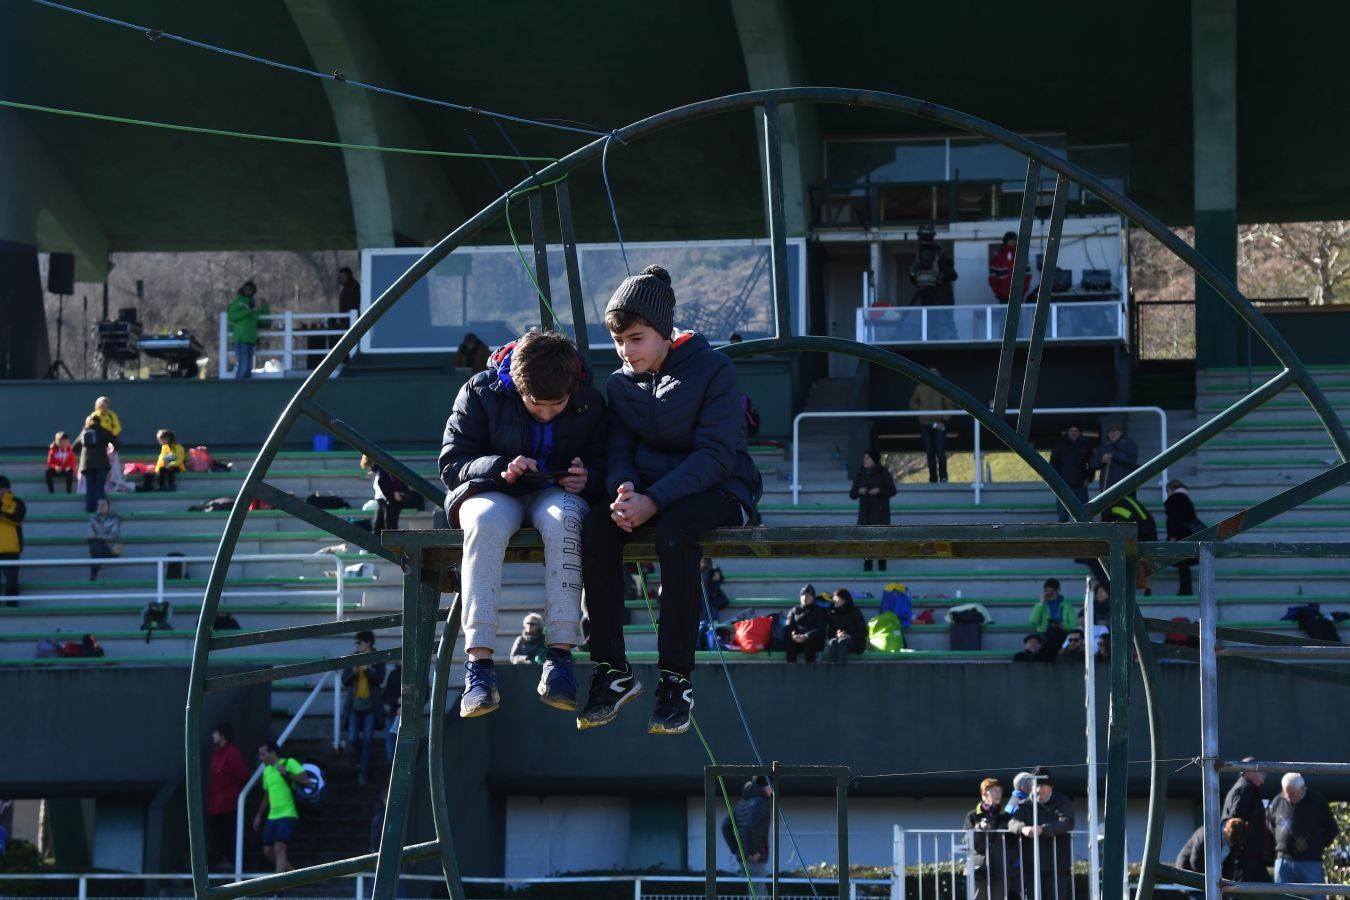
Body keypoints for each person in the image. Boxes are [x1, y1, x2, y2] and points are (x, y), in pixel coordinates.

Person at [577, 264, 761, 736]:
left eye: (636, 338)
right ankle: (610, 669)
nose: (625, 351)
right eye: (619, 342)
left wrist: (653, 500)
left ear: (663, 332)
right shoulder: (620, 384)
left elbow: (717, 456)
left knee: (677, 531)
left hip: (721, 490)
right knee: (597, 526)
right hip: (653, 495)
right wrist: (623, 489)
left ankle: (676, 681)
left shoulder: (714, 368)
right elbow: (617, 447)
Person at [440, 329, 606, 719]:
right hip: (494, 489)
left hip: (557, 492)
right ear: (515, 385)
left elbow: (608, 458)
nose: (548, 413)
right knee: (483, 522)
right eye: (537, 405)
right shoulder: (479, 390)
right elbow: (452, 463)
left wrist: (590, 477)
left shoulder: (590, 399)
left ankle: (560, 656)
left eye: (558, 405)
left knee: (564, 520)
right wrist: (501, 466)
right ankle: (479, 667)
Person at [1267, 773, 1339, 898]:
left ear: (1302, 789)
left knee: (1316, 896)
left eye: (1292, 793)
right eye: (1286, 792)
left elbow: (1331, 828)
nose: (1288, 796)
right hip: (1284, 860)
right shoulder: (1278, 801)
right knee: (1282, 897)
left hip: (1311, 862)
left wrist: (1319, 846)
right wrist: (1281, 842)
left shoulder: (1317, 801)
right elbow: (1270, 823)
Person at [1009, 768, 1075, 900]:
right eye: (1036, 786)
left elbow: (1067, 822)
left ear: (1050, 786)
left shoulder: (1062, 801)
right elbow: (1012, 823)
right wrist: (1023, 829)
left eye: (1042, 786)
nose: (1038, 790)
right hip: (1032, 864)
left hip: (1057, 864)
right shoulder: (1025, 804)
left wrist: (1043, 829)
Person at [252, 740, 310, 874]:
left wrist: (286, 773)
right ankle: (294, 875)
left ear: (272, 753)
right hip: (273, 815)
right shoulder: (266, 771)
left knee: (280, 846)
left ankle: (279, 887)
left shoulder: (288, 762)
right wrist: (259, 815)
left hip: (288, 812)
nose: (261, 758)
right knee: (268, 850)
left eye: (263, 754)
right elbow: (267, 794)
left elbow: (305, 779)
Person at [342, 630, 386, 785]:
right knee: (353, 738)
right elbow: (344, 681)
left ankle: (363, 773)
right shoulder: (353, 658)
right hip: (355, 705)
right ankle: (362, 760)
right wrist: (353, 673)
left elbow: (379, 679)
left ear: (368, 643)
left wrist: (367, 670)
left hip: (371, 706)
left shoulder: (378, 658)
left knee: (367, 739)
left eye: (359, 642)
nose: (357, 645)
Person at [964, 777, 1018, 900]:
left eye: (1000, 791)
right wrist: (978, 829)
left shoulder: (1006, 817)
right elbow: (967, 841)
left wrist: (1009, 859)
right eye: (995, 791)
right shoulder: (972, 816)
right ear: (984, 793)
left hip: (1002, 868)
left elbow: (1014, 842)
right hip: (979, 868)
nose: (999, 794)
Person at [207, 722, 250, 869]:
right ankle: (226, 860)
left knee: (228, 834)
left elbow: (243, 774)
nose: (213, 735)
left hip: (228, 804)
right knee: (217, 834)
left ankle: (233, 862)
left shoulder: (232, 753)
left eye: (216, 733)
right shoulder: (216, 754)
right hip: (216, 804)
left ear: (223, 735)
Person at [1221, 760, 1271, 882]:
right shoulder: (1245, 789)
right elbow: (1234, 823)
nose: (1264, 774)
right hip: (1245, 859)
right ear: (1248, 772)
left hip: (1249, 858)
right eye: (1260, 771)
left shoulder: (1247, 789)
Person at [850, 449, 897, 572]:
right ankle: (867, 569)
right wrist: (859, 491)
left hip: (880, 515)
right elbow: (852, 494)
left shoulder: (883, 472)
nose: (865, 461)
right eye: (864, 458)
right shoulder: (860, 473)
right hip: (865, 515)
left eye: (868, 458)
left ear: (874, 460)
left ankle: (882, 570)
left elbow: (892, 490)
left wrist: (879, 491)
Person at [722, 776, 772, 884]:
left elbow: (725, 826)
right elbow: (750, 826)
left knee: (752, 891)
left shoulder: (742, 803)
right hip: (755, 858)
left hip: (743, 857)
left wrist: (736, 849)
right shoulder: (762, 802)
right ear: (766, 786)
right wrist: (753, 853)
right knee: (759, 893)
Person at [1177, 817, 1250, 882]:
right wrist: (1206, 883)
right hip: (1188, 874)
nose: (1231, 845)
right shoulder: (1206, 834)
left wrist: (1226, 885)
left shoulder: (1233, 840)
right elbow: (1195, 862)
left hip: (1210, 878)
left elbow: (1229, 867)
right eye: (1230, 842)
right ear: (1226, 832)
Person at [909, 371, 950, 483]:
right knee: (932, 452)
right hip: (925, 423)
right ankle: (936, 478)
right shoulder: (920, 387)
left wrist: (943, 420)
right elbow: (913, 403)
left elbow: (949, 405)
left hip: (938, 423)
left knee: (938, 452)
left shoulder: (942, 387)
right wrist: (920, 412)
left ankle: (941, 477)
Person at [1165, 479, 1204, 596]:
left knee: (1182, 564)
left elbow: (1173, 520)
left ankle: (1185, 591)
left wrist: (1172, 536)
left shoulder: (1173, 499)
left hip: (1180, 535)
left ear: (1171, 489)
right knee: (1184, 564)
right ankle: (1186, 590)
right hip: (1188, 534)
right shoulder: (1186, 499)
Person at [72, 415, 116, 514]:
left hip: (87, 465)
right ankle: (100, 511)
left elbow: (74, 448)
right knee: (99, 487)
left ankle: (89, 509)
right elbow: (116, 443)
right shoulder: (103, 431)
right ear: (99, 422)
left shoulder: (83, 432)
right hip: (102, 464)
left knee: (90, 486)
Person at [1049, 424, 1093, 522]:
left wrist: (1089, 478)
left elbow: (1091, 464)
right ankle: (1063, 535)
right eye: (1071, 431)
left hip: (1081, 485)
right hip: (1063, 486)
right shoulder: (1060, 445)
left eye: (1076, 431)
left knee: (1084, 514)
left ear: (1080, 433)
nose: (1073, 433)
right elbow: (1053, 464)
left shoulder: (1085, 445)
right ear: (1067, 432)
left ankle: (1087, 535)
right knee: (1063, 515)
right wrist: (1056, 482)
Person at [227, 281, 269, 380]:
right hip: (240, 339)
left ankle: (245, 390)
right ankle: (238, 389)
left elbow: (265, 321)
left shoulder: (254, 307)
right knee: (243, 366)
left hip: (250, 340)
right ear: (242, 290)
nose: (248, 292)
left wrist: (265, 306)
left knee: (248, 368)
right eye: (246, 289)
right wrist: (246, 312)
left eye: (250, 290)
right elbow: (231, 316)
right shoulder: (238, 302)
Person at [360, 455, 406, 536]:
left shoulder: (384, 470)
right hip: (382, 502)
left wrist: (396, 492)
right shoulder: (379, 472)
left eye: (368, 467)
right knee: (377, 527)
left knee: (390, 527)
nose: (369, 469)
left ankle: (393, 547)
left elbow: (393, 481)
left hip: (389, 501)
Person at [92, 396, 129, 493]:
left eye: (106, 407)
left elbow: (117, 428)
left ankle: (114, 479)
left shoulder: (112, 415)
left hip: (110, 442)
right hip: (99, 443)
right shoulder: (94, 416)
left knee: (113, 459)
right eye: (101, 407)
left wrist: (111, 435)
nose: (104, 409)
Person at [784, 583, 828, 663]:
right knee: (789, 642)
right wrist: (793, 635)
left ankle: (809, 671)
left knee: (810, 642)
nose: (805, 597)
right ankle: (790, 670)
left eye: (808, 595)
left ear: (813, 597)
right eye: (803, 595)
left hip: (813, 640)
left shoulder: (819, 611)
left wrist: (806, 636)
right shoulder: (794, 610)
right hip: (797, 639)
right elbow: (788, 626)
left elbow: (820, 629)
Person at [822, 588, 868, 663]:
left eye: (836, 597)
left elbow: (863, 632)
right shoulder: (832, 613)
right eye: (833, 597)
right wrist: (837, 635)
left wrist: (849, 636)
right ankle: (831, 670)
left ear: (844, 600)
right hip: (838, 640)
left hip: (855, 643)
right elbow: (830, 633)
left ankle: (841, 671)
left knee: (843, 642)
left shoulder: (855, 612)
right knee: (833, 642)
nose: (833, 599)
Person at [1091, 422, 1138, 493]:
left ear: (1121, 433)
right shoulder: (1104, 446)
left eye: (1115, 431)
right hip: (1107, 485)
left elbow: (1131, 460)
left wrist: (1113, 455)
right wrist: (1102, 460)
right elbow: (1093, 464)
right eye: (1110, 431)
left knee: (1124, 503)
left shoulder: (1128, 444)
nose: (1113, 433)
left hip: (1126, 484)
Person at [0, 475, 26, 603]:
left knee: (12, 583)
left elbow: (17, 518)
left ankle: (12, 607)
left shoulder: (17, 502)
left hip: (11, 549)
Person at [988, 231, 1031, 303]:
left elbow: (1027, 275)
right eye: (1011, 239)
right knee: (1004, 313)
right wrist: (999, 292)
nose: (1013, 241)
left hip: (1018, 294)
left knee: (1018, 314)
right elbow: (992, 278)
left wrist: (1023, 290)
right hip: (1003, 296)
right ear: (1006, 241)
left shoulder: (1021, 256)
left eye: (1014, 239)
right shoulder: (998, 257)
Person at [86, 497, 122, 581]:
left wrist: (97, 536)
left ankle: (94, 572)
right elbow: (90, 534)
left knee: (97, 543)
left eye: (103, 505)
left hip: (114, 547)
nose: (101, 507)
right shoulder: (93, 519)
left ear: (108, 507)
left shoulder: (115, 519)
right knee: (95, 544)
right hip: (98, 547)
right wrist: (90, 537)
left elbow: (113, 537)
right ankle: (99, 564)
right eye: (99, 505)